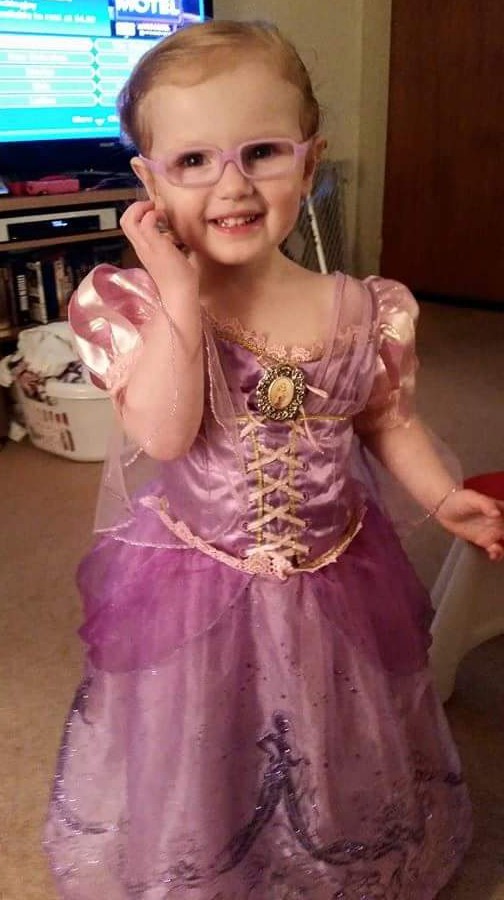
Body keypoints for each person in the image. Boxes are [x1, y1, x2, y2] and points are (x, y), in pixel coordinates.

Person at [44, 20, 504, 900]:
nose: (232, 185)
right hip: (197, 574)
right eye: (192, 161)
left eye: (261, 152)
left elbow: (386, 419)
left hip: (334, 569)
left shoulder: (365, 308)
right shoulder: (131, 303)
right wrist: (180, 293)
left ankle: (325, 856)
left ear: (311, 159)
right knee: (204, 732)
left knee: (335, 723)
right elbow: (167, 433)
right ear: (149, 182)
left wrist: (444, 497)